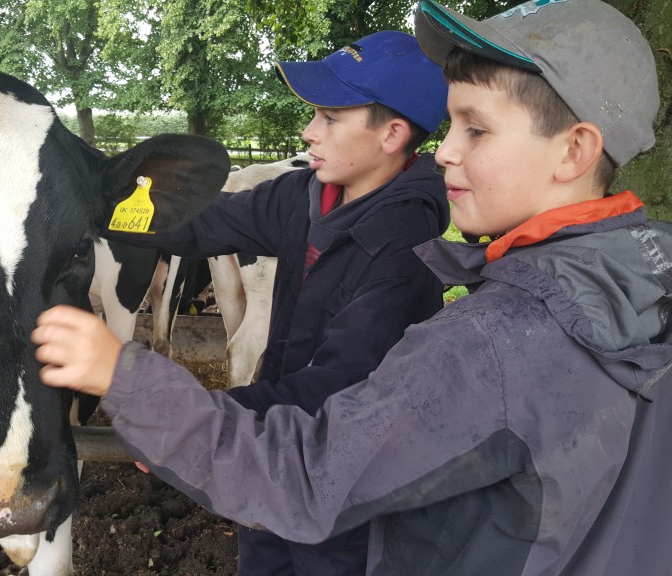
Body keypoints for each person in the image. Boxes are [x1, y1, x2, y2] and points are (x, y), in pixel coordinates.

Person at [32, 1, 672, 574]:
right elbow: (201, 223)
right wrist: (95, 201)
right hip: (306, 463)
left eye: (476, 128)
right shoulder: (643, 293)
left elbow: (321, 452)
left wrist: (167, 409)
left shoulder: (476, 318)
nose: (448, 151)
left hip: (342, 497)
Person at [101, 30, 450, 575]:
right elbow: (199, 224)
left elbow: (343, 382)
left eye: (330, 118)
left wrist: (196, 422)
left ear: (392, 134)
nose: (309, 132)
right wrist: (97, 205)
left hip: (344, 478)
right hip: (274, 448)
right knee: (261, 554)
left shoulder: (406, 242)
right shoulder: (304, 196)